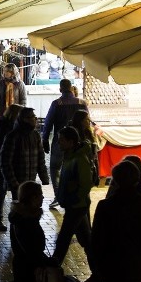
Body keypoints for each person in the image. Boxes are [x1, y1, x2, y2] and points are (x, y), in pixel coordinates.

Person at [92, 160, 141, 282]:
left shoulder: (105, 206)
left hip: (112, 268)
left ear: (115, 180)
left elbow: (97, 239)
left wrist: (100, 266)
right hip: (138, 267)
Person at [51, 126, 98, 282]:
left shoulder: (79, 158)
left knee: (64, 238)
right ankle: (97, 272)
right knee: (86, 239)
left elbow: (86, 183)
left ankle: (52, 267)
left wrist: (75, 199)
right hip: (75, 204)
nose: (58, 142)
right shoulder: (71, 155)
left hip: (76, 206)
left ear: (71, 142)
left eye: (61, 140)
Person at [0, 107, 50, 232]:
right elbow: (5, 162)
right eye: (33, 117)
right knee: (18, 214)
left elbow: (40, 158)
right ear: (24, 119)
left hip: (30, 183)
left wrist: (44, 177)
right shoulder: (13, 136)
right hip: (18, 184)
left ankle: (27, 239)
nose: (35, 120)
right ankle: (17, 240)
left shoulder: (35, 135)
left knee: (31, 212)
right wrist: (14, 183)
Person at [42, 79, 89, 208]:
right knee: (75, 170)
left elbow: (48, 123)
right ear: (72, 89)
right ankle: (73, 196)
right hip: (78, 143)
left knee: (55, 169)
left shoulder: (56, 103)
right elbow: (87, 124)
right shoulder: (82, 103)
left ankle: (59, 196)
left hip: (60, 142)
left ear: (60, 89)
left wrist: (45, 140)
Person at [8, 181, 57, 282]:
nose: (43, 197)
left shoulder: (20, 217)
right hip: (30, 270)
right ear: (33, 198)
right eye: (40, 194)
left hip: (22, 266)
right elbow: (33, 250)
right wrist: (46, 262)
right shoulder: (27, 221)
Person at [0, 103, 23, 232]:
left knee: (3, 192)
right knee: (11, 192)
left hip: (2, 165)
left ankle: (2, 219)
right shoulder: (8, 129)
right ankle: (12, 220)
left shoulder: (2, 127)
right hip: (5, 165)